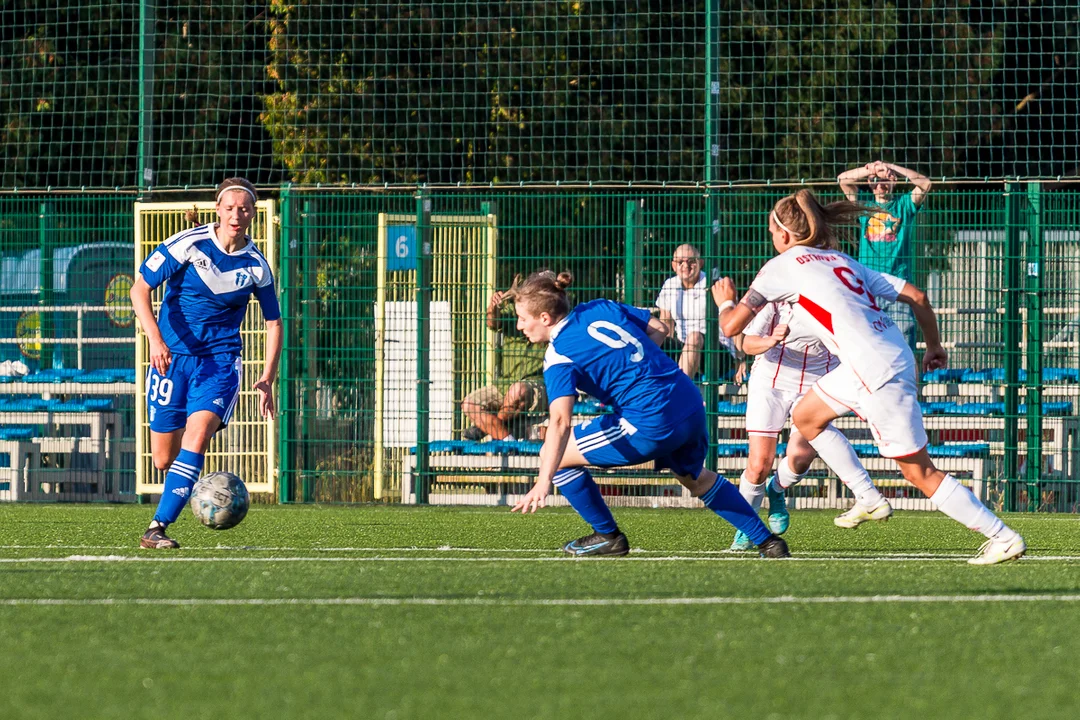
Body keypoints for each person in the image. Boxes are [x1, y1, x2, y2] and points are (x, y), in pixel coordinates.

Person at [713, 188, 1025, 565]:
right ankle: (867, 497)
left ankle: (1002, 536)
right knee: (806, 417)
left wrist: (726, 300)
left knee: (920, 472)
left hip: (873, 371)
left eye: (770, 232)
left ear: (782, 235)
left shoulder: (782, 265)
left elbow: (731, 327)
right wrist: (933, 347)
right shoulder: (841, 260)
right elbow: (919, 297)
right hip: (884, 357)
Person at [507, 270, 789, 559]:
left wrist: (543, 481)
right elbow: (659, 328)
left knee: (555, 459)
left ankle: (608, 536)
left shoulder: (559, 354)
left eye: (522, 318)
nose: (519, 326)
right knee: (695, 478)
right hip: (687, 401)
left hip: (651, 418)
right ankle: (768, 542)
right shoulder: (600, 306)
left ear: (545, 318)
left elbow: (560, 421)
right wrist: (630, 369)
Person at [130, 177, 282, 549]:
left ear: (252, 214)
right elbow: (139, 289)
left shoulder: (256, 266)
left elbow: (274, 322)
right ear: (218, 209)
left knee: (196, 437)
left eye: (244, 208)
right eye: (229, 207)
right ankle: (189, 474)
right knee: (163, 459)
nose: (236, 214)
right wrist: (156, 340)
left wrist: (267, 377)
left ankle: (157, 528)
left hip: (219, 362)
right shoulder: (189, 243)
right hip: (171, 359)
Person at [838, 160, 933, 349]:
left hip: (898, 284)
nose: (881, 185)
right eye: (875, 181)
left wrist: (892, 167)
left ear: (894, 181)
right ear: (870, 184)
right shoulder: (865, 205)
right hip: (868, 284)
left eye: (885, 181)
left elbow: (925, 183)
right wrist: (871, 170)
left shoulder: (904, 205)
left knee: (903, 339)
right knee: (868, 342)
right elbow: (843, 180)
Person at [461, 285, 547, 441]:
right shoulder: (513, 312)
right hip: (505, 384)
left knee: (518, 390)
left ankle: (486, 428)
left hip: (536, 386)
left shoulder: (550, 316)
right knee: (469, 404)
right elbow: (492, 323)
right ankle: (509, 442)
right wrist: (493, 307)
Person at [656, 244, 747, 382]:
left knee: (694, 337)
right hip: (684, 348)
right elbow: (666, 323)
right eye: (680, 262)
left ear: (701, 263)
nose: (685, 266)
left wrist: (740, 358)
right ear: (674, 266)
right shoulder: (669, 285)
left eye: (691, 261)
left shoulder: (716, 284)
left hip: (717, 351)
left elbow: (736, 321)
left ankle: (682, 391)